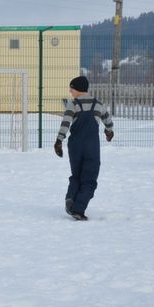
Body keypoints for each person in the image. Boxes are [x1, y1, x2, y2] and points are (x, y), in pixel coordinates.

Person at [54, 76, 114, 221]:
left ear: (79, 89)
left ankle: (70, 198)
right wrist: (109, 132)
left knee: (76, 175)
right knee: (89, 180)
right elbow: (108, 121)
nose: (70, 91)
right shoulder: (98, 104)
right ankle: (78, 209)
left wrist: (59, 141)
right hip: (91, 148)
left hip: (75, 146)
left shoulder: (73, 104)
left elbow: (66, 123)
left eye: (72, 88)